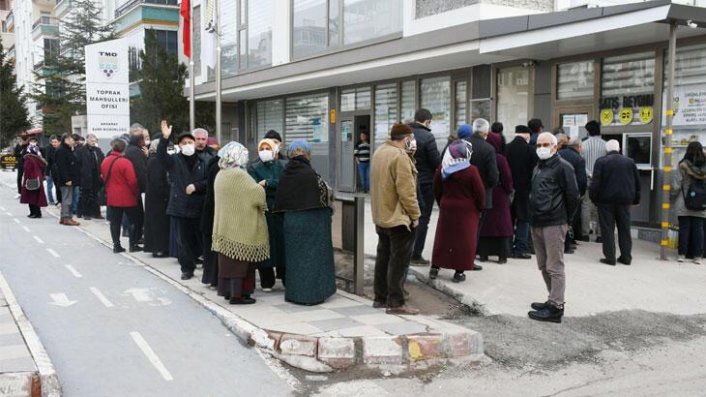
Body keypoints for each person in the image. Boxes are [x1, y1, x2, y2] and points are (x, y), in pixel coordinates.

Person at [273, 140, 336, 305]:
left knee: (295, 261)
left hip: (291, 223)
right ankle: (311, 295)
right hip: (312, 223)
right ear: (308, 153)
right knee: (312, 259)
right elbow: (323, 196)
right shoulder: (309, 173)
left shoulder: (286, 172)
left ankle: (294, 294)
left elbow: (280, 200)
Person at [527, 132, 580, 323]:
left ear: (555, 147)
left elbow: (573, 197)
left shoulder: (564, 167)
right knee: (543, 265)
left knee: (555, 266)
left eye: (546, 144)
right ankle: (552, 299)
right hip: (537, 222)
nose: (541, 148)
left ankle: (557, 307)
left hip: (554, 222)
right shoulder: (538, 166)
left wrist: (566, 220)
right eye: (539, 145)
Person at [370, 124, 421, 314]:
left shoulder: (380, 152)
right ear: (406, 138)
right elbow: (407, 192)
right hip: (398, 217)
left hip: (381, 215)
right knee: (398, 261)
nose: (413, 142)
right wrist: (415, 215)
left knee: (383, 257)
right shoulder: (399, 157)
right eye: (412, 138)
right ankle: (396, 302)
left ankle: (380, 297)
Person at [212, 142, 270, 305]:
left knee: (227, 264)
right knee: (240, 264)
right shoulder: (239, 174)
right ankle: (238, 295)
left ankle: (228, 292)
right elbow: (256, 195)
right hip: (239, 228)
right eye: (243, 154)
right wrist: (260, 186)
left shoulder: (221, 174)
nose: (246, 157)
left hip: (225, 228)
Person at [159, 121, 208, 280]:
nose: (187, 145)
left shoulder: (202, 161)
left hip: (199, 206)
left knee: (201, 239)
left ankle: (206, 265)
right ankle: (187, 268)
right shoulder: (174, 161)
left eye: (190, 142)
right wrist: (165, 138)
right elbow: (161, 156)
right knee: (183, 241)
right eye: (184, 143)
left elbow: (209, 181)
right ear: (179, 145)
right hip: (180, 207)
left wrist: (197, 186)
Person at [429, 140, 485, 282]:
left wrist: (442, 202)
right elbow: (479, 192)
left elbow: (436, 187)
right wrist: (480, 207)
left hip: (447, 207)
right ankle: (459, 271)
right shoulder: (471, 170)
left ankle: (435, 268)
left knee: (443, 238)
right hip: (467, 210)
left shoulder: (443, 167)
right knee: (464, 240)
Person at [590, 140, 640, 266]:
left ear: (606, 150)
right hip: (624, 201)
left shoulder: (601, 161)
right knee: (625, 229)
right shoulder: (630, 162)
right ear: (619, 149)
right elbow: (637, 182)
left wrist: (593, 198)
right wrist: (636, 199)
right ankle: (626, 257)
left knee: (607, 229)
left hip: (605, 201)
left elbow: (596, 183)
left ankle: (610, 258)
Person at [248, 138, 285, 291]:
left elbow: (283, 183)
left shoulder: (280, 166)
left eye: (267, 148)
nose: (264, 151)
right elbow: (255, 186)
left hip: (279, 209)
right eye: (261, 148)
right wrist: (269, 184)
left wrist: (268, 183)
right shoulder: (253, 167)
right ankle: (266, 280)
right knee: (265, 245)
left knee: (281, 244)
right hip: (263, 210)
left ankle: (284, 277)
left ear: (274, 149)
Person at [408, 109, 441, 265]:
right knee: (422, 218)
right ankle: (416, 255)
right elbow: (436, 161)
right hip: (425, 183)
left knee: (407, 217)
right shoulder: (428, 137)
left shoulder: (405, 134)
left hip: (407, 181)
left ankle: (405, 251)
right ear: (427, 121)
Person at [478, 132, 514, 264]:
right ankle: (502, 255)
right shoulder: (500, 158)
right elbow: (507, 177)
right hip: (499, 194)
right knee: (501, 224)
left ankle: (483, 253)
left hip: (485, 192)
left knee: (485, 223)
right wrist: (509, 190)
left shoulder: (483, 154)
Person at [101, 138, 142, 253]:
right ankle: (133, 244)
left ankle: (116, 245)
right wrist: (136, 193)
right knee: (133, 220)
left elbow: (104, 177)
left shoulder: (105, 161)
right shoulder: (125, 162)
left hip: (112, 196)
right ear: (124, 149)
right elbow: (132, 181)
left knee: (115, 222)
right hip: (127, 196)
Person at [469, 119, 499, 268]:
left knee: (462, 227)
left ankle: (459, 256)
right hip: (482, 195)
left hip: (462, 193)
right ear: (486, 132)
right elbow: (493, 176)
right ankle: (469, 258)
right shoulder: (488, 149)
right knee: (476, 228)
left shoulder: (461, 144)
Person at [671, 141, 706, 264]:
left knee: (684, 229)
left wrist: (672, 198)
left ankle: (682, 254)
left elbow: (676, 185)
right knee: (698, 229)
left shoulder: (683, 165)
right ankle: (697, 256)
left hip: (684, 201)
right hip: (702, 202)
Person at [506, 125, 536, 259]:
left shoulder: (506, 148)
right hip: (525, 190)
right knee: (524, 218)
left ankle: (506, 247)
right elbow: (533, 172)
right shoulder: (531, 150)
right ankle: (520, 248)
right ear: (527, 136)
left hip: (508, 189)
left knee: (509, 218)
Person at [558, 136, 588, 252]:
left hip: (558, 191)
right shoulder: (579, 159)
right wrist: (580, 194)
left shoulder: (559, 154)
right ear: (578, 147)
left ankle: (562, 241)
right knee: (571, 219)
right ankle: (568, 243)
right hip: (572, 192)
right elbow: (581, 180)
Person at [143, 139, 171, 258]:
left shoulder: (152, 160)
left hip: (153, 198)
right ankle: (158, 248)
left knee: (155, 224)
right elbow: (158, 182)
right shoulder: (156, 161)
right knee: (158, 224)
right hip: (158, 199)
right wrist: (166, 193)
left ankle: (158, 248)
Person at [581, 120, 606, 243]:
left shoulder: (583, 145)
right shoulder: (605, 145)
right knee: (601, 206)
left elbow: (581, 163)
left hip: (587, 179)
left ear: (588, 131)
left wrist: (589, 173)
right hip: (602, 181)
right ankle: (600, 235)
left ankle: (585, 234)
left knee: (586, 205)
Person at [200, 147, 221, 287]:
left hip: (210, 212)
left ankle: (211, 278)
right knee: (213, 250)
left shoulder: (214, 165)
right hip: (215, 213)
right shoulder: (219, 169)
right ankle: (214, 279)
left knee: (210, 250)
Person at [125, 124, 148, 243]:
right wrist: (145, 188)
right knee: (138, 216)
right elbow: (141, 171)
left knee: (134, 216)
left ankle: (135, 239)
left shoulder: (129, 150)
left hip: (131, 189)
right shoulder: (136, 152)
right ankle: (135, 240)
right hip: (136, 189)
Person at [75, 134, 105, 220]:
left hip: (96, 176)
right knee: (85, 195)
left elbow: (102, 160)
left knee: (96, 195)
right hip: (85, 176)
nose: (93, 142)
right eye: (91, 141)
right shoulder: (81, 151)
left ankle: (96, 213)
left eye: (94, 141)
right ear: (87, 140)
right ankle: (85, 213)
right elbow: (78, 164)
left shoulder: (98, 150)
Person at [54, 133, 81, 226]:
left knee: (67, 198)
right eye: (70, 140)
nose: (72, 141)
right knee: (67, 199)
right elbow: (62, 167)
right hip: (66, 180)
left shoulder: (67, 149)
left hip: (70, 178)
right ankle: (67, 218)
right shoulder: (62, 150)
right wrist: (67, 179)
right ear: (65, 140)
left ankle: (63, 217)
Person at [20, 144, 48, 218]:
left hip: (30, 179)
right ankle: (38, 213)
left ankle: (33, 212)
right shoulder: (39, 159)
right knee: (37, 196)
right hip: (38, 179)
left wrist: (25, 180)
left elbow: (27, 170)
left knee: (31, 196)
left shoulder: (28, 158)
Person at [44, 136, 60, 205]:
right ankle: (51, 200)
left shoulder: (60, 149)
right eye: (52, 142)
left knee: (56, 186)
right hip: (50, 170)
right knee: (50, 185)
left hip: (55, 170)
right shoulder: (49, 149)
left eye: (55, 142)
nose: (54, 143)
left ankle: (56, 200)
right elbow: (48, 160)